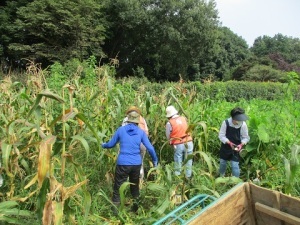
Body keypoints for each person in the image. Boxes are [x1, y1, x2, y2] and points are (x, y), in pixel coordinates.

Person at [102, 111, 158, 214]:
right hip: (136, 164)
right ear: (137, 122)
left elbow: (111, 144)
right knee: (134, 186)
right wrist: (155, 161)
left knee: (118, 186)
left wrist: (103, 145)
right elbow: (150, 148)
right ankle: (135, 210)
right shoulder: (141, 132)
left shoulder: (121, 130)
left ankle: (115, 212)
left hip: (123, 163)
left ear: (128, 120)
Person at [218, 107, 250, 177]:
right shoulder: (226, 123)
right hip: (226, 147)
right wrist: (229, 142)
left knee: (235, 165)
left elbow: (246, 137)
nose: (239, 121)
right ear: (233, 118)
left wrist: (241, 144)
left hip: (236, 148)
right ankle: (221, 177)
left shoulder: (243, 124)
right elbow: (221, 135)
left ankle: (236, 181)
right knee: (223, 163)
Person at [165, 105, 194, 179]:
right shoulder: (183, 118)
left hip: (178, 144)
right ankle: (188, 177)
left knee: (178, 160)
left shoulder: (169, 123)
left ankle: (177, 177)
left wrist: (170, 143)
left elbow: (168, 136)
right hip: (189, 141)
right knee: (189, 160)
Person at [122, 106, 149, 180]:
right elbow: (146, 132)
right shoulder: (142, 119)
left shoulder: (126, 119)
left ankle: (129, 182)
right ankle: (140, 183)